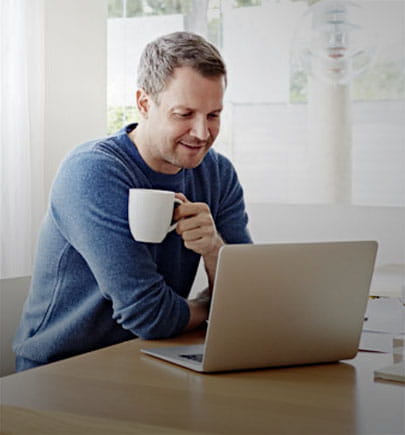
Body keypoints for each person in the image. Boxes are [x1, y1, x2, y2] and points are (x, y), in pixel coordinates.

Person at [13, 31, 252, 371]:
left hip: (150, 356)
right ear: (144, 104)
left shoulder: (217, 173)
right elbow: (149, 315)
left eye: (213, 115)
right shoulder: (92, 171)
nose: (202, 133)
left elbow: (247, 300)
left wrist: (215, 249)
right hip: (63, 369)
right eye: (184, 114)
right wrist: (206, 308)